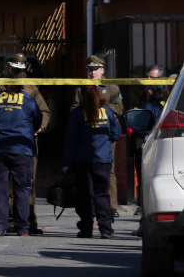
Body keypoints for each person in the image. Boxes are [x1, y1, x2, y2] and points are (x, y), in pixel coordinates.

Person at [0, 53, 51, 235]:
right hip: (4, 142)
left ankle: (29, 221)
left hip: (26, 143)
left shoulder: (31, 88)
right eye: (17, 70)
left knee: (28, 185)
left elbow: (44, 111)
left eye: (23, 70)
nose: (21, 74)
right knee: (8, 187)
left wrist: (40, 128)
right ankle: (10, 222)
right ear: (8, 70)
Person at [63, 85, 121, 239]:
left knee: (85, 195)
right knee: (102, 194)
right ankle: (106, 228)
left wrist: (66, 162)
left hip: (83, 160)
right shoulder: (107, 112)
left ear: (82, 97)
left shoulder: (77, 114)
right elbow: (116, 133)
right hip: (103, 160)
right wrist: (104, 143)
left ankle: (87, 228)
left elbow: (71, 140)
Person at [0, 67, 42, 236]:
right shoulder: (28, 100)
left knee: (0, 189)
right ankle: (22, 227)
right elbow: (38, 121)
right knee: (22, 189)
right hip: (22, 149)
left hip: (0, 148)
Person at [71, 55, 123, 218]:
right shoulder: (81, 88)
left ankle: (112, 206)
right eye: (89, 69)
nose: (92, 73)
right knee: (86, 169)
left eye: (95, 69)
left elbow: (119, 109)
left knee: (108, 169)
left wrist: (99, 102)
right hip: (86, 133)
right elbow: (73, 109)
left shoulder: (112, 87)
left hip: (104, 134)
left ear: (102, 70)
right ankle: (91, 205)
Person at [131, 84, 169, 237]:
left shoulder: (150, 106)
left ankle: (144, 225)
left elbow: (141, 128)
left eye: (150, 87)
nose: (147, 90)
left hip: (149, 150)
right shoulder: (169, 105)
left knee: (146, 186)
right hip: (166, 151)